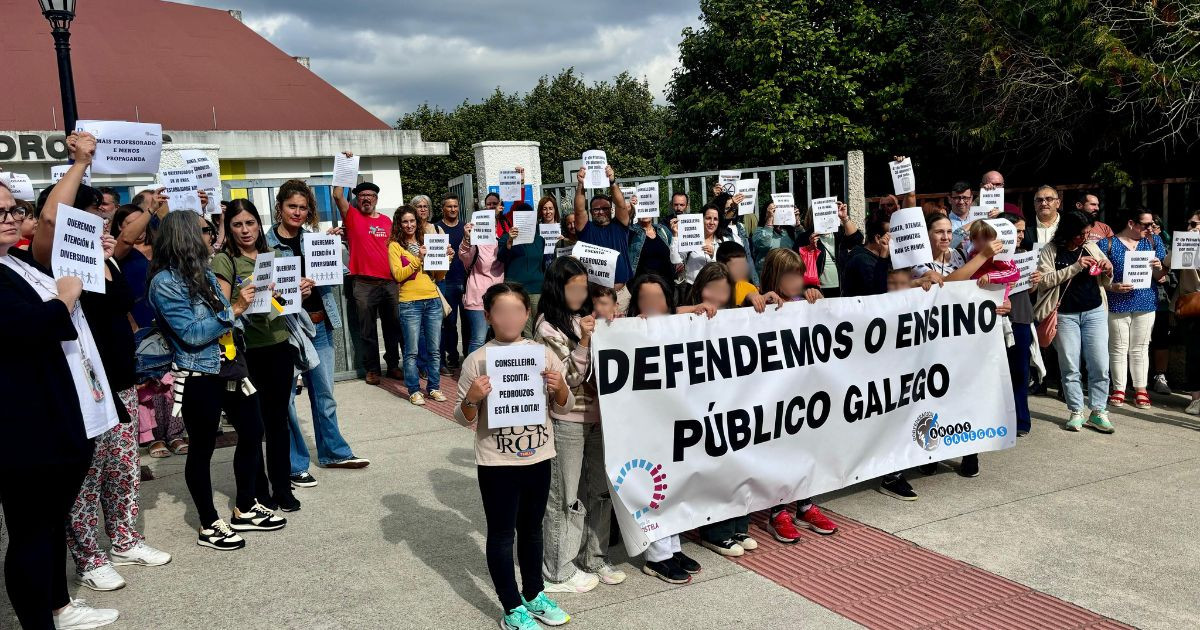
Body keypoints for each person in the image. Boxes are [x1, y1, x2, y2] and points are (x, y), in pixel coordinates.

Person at [37, 143, 172, 595]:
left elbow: (125, 258)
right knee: (86, 477)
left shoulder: (106, 258)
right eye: (86, 212)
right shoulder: (52, 262)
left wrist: (109, 252)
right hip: (82, 388)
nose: (95, 220)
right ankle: (89, 557)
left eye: (96, 213)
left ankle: (126, 539)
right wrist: (80, 164)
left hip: (120, 377)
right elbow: (54, 221)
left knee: (122, 467)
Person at [0, 179, 121, 630]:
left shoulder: (15, 262)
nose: (12, 218)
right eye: (2, 213)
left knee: (49, 524)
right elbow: (27, 327)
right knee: (31, 531)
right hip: (24, 427)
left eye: (14, 210)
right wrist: (66, 296)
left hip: (57, 415)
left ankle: (57, 605)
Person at [147, 211, 286, 550]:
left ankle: (245, 504)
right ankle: (209, 522)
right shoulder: (164, 282)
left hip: (230, 365)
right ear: (186, 237)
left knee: (253, 430)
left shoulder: (204, 273)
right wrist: (235, 308)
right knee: (203, 448)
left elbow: (228, 318)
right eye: (206, 231)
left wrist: (257, 300)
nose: (212, 236)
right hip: (199, 372)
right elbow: (192, 333)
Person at [454, 282, 574, 630]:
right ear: (488, 316)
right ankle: (511, 607)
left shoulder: (543, 354)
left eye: (517, 310)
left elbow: (563, 409)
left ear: (527, 314)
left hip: (539, 458)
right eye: (501, 311)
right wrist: (473, 397)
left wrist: (561, 388)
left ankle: (534, 594)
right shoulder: (477, 361)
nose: (510, 317)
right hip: (497, 463)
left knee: (533, 530)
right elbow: (463, 419)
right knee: (503, 533)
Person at [265, 180, 370, 490]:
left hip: (320, 326)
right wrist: (291, 292)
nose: (297, 212)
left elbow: (344, 272)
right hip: (286, 331)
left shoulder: (315, 241)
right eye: (291, 206)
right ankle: (295, 464)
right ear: (280, 207)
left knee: (324, 394)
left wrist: (338, 247)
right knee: (286, 401)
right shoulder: (267, 245)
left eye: (303, 207)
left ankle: (333, 452)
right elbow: (262, 295)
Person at [534, 257, 626, 593]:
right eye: (572, 286)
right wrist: (586, 342)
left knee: (599, 491)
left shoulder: (587, 318)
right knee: (565, 496)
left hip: (600, 417)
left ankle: (594, 557)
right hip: (566, 419)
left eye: (583, 286)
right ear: (558, 286)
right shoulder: (547, 327)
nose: (579, 292)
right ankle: (558, 569)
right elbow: (565, 379)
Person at [212, 199, 303, 513]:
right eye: (237, 224)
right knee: (254, 426)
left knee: (279, 421)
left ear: (257, 223)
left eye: (249, 223)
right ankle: (260, 491)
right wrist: (241, 298)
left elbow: (285, 303)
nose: (244, 230)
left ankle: (282, 487)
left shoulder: (274, 256)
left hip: (278, 345)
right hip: (246, 352)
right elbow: (223, 311)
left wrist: (296, 292)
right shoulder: (225, 261)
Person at [624, 273, 704, 584]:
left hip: (673, 421)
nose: (654, 305)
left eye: (660, 298)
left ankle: (672, 545)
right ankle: (656, 556)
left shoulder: (675, 325)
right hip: (645, 426)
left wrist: (695, 308)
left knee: (674, 484)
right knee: (653, 488)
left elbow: (680, 313)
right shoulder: (629, 331)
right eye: (646, 299)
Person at [1034, 209, 1115, 432]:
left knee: (1100, 364)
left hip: (1095, 311)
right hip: (1065, 314)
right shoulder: (1051, 250)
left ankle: (1098, 411)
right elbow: (1045, 281)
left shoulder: (1090, 246)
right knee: (1069, 365)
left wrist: (1108, 269)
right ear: (1069, 232)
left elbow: (1106, 275)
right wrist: (1076, 267)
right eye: (1081, 234)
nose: (1085, 238)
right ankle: (1076, 411)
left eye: (1088, 233)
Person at [332, 153, 402, 385]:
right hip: (363, 283)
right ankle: (372, 369)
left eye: (370, 195)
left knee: (393, 328)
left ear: (376, 199)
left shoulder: (387, 221)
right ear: (357, 199)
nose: (366, 199)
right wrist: (345, 164)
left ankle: (393, 365)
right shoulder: (351, 217)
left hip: (390, 282)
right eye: (362, 195)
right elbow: (337, 194)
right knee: (367, 331)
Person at [1097, 207, 1167, 409]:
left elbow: (1161, 275)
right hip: (1117, 301)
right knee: (1118, 347)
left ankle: (1141, 389)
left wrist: (1158, 268)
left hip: (1145, 300)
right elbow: (1097, 277)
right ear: (1131, 224)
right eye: (1145, 225)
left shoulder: (1154, 241)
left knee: (1141, 347)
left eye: (1152, 224)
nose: (1150, 228)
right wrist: (1112, 287)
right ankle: (1119, 388)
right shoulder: (1107, 243)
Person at [389, 204, 449, 406]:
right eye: (405, 221)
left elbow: (438, 276)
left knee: (434, 350)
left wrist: (446, 259)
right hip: (409, 302)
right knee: (412, 350)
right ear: (399, 223)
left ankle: (434, 387)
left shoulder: (428, 241)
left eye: (412, 221)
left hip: (432, 299)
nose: (409, 225)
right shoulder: (395, 246)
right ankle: (414, 390)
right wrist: (417, 260)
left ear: (418, 222)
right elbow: (398, 275)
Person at [573, 164, 633, 311]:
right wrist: (581, 184)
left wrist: (612, 182)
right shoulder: (586, 229)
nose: (601, 212)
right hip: (595, 297)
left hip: (621, 296)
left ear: (611, 209)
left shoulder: (620, 225)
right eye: (596, 209)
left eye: (605, 208)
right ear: (591, 212)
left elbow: (621, 205)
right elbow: (579, 210)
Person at [460, 194, 510, 356]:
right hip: (478, 299)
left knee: (500, 339)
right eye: (488, 205)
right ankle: (472, 375)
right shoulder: (474, 240)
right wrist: (467, 238)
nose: (491, 207)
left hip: (498, 298)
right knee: (478, 339)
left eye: (495, 205)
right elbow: (466, 259)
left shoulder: (502, 239)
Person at [1003, 214, 1038, 436]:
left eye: (1023, 231)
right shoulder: (989, 257)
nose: (1021, 236)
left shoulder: (1025, 255)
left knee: (1020, 372)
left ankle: (1021, 420)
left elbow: (1028, 291)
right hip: (1001, 319)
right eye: (1016, 231)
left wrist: (1033, 282)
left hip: (1022, 316)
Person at [504, 196, 549, 338]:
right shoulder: (506, 237)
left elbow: (543, 265)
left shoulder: (540, 239)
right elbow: (501, 258)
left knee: (540, 328)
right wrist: (510, 242)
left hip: (537, 290)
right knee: (522, 330)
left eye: (529, 217)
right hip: (517, 291)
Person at [797, 199, 860, 297]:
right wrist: (810, 248)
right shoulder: (805, 237)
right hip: (817, 289)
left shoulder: (839, 233)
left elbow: (857, 239)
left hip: (842, 286)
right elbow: (796, 262)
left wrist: (844, 217)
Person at [435, 194, 469, 373]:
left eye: (455, 206)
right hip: (446, 282)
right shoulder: (436, 229)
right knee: (449, 323)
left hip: (466, 281)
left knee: (468, 322)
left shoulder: (466, 227)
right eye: (449, 206)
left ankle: (468, 357)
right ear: (443, 208)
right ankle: (452, 357)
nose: (453, 209)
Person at [1174, 210, 1200, 415]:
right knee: (1194, 353)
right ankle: (1196, 399)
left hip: (1193, 302)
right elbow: (1166, 262)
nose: (1191, 228)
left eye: (1195, 224)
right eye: (1190, 224)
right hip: (1193, 306)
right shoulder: (1184, 243)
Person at [1148, 215, 1175, 395]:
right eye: (1148, 225)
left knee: (1160, 339)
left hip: (1161, 299)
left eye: (1155, 226)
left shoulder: (1166, 248)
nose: (1151, 229)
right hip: (1137, 298)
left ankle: (1160, 376)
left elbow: (1176, 275)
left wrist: (1166, 275)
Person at [841, 215, 892, 298]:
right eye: (891, 237)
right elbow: (878, 293)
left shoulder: (873, 256)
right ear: (878, 238)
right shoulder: (863, 261)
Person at [628, 194, 675, 284]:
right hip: (641, 284)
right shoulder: (631, 231)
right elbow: (622, 226)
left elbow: (674, 250)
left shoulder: (662, 229)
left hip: (665, 283)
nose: (645, 212)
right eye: (642, 208)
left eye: (648, 208)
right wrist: (631, 209)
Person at [751, 199, 794, 278]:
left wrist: (797, 222)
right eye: (772, 211)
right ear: (765, 213)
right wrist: (770, 219)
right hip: (768, 276)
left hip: (787, 274)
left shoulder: (789, 231)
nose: (774, 214)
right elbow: (764, 244)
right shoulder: (760, 230)